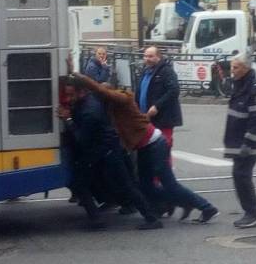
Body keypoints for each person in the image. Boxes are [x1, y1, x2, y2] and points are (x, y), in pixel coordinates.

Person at [69, 68, 218, 224]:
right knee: (145, 186)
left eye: (104, 94)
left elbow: (100, 91)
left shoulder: (122, 99)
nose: (99, 98)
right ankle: (179, 202)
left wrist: (81, 77)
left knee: (169, 184)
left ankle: (206, 207)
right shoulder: (110, 108)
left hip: (155, 144)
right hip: (145, 146)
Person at [59, 77, 162, 230]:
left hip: (106, 152)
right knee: (88, 183)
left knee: (124, 186)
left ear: (81, 92)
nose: (69, 99)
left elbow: (82, 137)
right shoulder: (87, 101)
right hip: (104, 150)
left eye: (71, 95)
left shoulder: (90, 111)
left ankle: (150, 218)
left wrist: (68, 119)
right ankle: (99, 219)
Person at [223, 53, 256, 228]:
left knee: (241, 176)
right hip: (237, 141)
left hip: (248, 144)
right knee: (239, 176)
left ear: (246, 68)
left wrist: (248, 143)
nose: (232, 71)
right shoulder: (241, 84)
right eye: (232, 67)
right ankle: (250, 212)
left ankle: (253, 213)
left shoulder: (255, 88)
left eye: (236, 67)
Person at [135, 46, 182, 161]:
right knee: (150, 149)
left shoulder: (166, 71)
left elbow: (174, 90)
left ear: (158, 57)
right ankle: (154, 176)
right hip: (147, 118)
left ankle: (164, 176)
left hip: (163, 118)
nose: (147, 59)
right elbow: (139, 92)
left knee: (163, 148)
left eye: (151, 56)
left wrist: (157, 106)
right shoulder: (145, 71)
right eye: (145, 56)